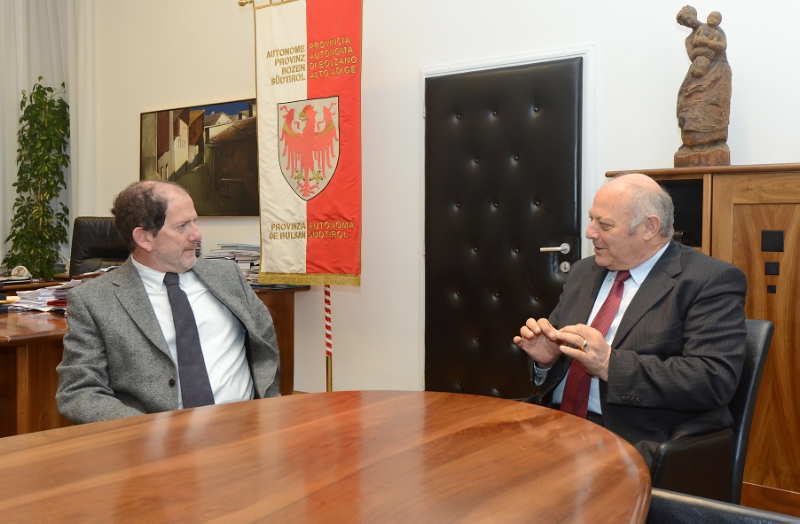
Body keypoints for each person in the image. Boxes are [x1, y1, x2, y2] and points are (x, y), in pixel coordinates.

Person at [514, 173, 746, 465]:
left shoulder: (708, 280)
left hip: (633, 438)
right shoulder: (584, 272)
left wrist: (610, 365)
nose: (589, 232)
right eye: (591, 219)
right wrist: (546, 361)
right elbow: (557, 356)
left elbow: (713, 380)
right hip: (554, 423)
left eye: (604, 224)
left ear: (649, 227)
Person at [56, 180, 280, 424]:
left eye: (194, 221)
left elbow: (265, 342)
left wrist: (269, 404)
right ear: (144, 238)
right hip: (156, 438)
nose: (197, 234)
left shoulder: (227, 276)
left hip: (246, 427)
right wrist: (152, 431)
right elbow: (79, 391)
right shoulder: (93, 301)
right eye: (182, 226)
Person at [675, 5, 732, 156]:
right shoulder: (689, 39)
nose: (687, 22)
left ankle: (713, 139)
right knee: (687, 99)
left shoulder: (714, 29)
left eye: (688, 18)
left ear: (694, 14)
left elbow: (722, 47)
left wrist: (704, 44)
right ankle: (691, 140)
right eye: (684, 22)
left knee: (714, 104)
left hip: (719, 70)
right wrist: (705, 50)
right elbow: (692, 55)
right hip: (699, 71)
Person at [689, 11, 722, 77]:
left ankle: (701, 71)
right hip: (698, 48)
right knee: (695, 64)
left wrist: (707, 42)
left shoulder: (716, 32)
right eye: (710, 17)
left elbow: (714, 42)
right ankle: (694, 70)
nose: (712, 19)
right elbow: (697, 34)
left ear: (718, 22)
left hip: (707, 52)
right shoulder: (701, 27)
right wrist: (695, 40)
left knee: (703, 63)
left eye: (715, 18)